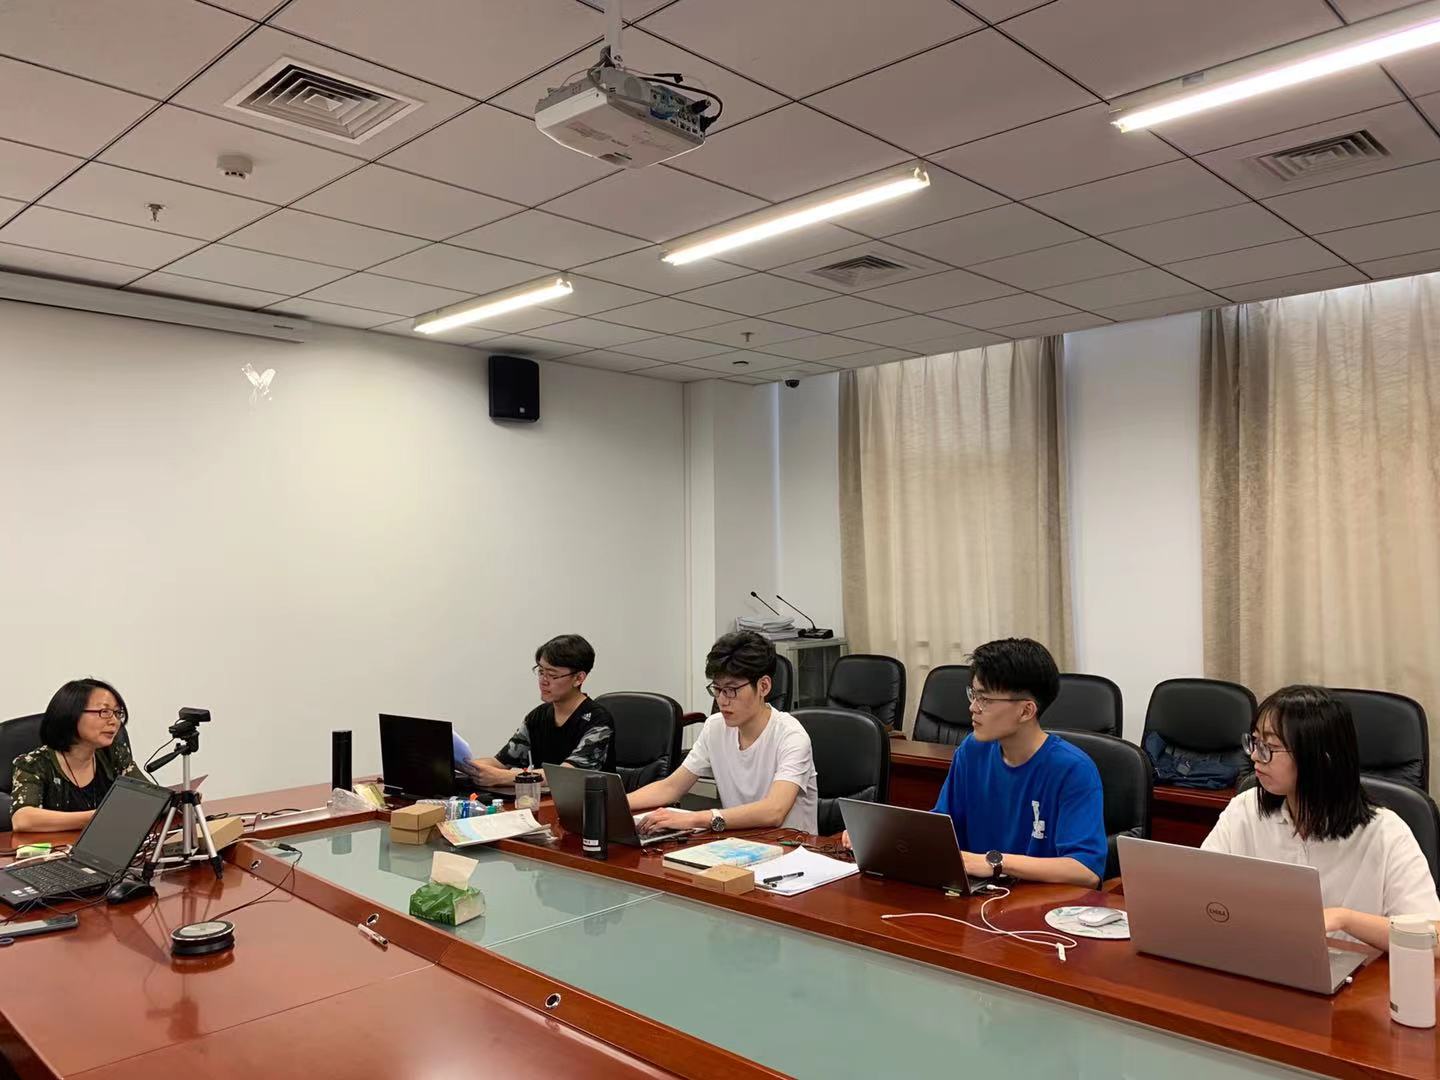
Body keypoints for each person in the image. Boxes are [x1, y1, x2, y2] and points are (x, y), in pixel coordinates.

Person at [845, 638, 1107, 888]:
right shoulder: (973, 750)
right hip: (979, 894)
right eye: (973, 694)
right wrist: (879, 836)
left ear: (1026, 710)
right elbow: (942, 826)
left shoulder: (1072, 769)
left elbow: (1085, 871)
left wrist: (995, 863)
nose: (973, 707)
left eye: (985, 700)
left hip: (1038, 903)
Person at [1202, 684, 1440, 952]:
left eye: (1270, 747)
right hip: (1261, 959)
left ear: (1320, 758)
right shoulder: (1245, 810)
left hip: (1357, 974)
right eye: (1255, 742)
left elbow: (1434, 938)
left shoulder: (1386, 833)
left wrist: (1344, 919)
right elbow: (1198, 892)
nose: (1255, 756)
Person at [628, 630, 818, 835]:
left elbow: (774, 811)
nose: (722, 700)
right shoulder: (715, 727)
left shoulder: (791, 736)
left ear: (763, 686)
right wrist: (614, 804)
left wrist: (694, 818)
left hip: (791, 848)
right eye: (717, 689)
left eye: (731, 690)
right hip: (736, 845)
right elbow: (671, 788)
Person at [454, 634, 614, 787]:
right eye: (541, 672)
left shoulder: (598, 720)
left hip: (587, 802)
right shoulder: (538, 716)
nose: (543, 681)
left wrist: (502, 777)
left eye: (552, 675)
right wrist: (461, 765)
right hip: (545, 800)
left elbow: (566, 774)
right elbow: (501, 762)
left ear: (579, 678)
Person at [11, 678, 148, 832]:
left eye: (117, 713)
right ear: (71, 715)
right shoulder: (34, 764)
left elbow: (150, 798)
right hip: (58, 846)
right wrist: (98, 817)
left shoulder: (113, 754)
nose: (114, 721)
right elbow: (22, 819)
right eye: (104, 712)